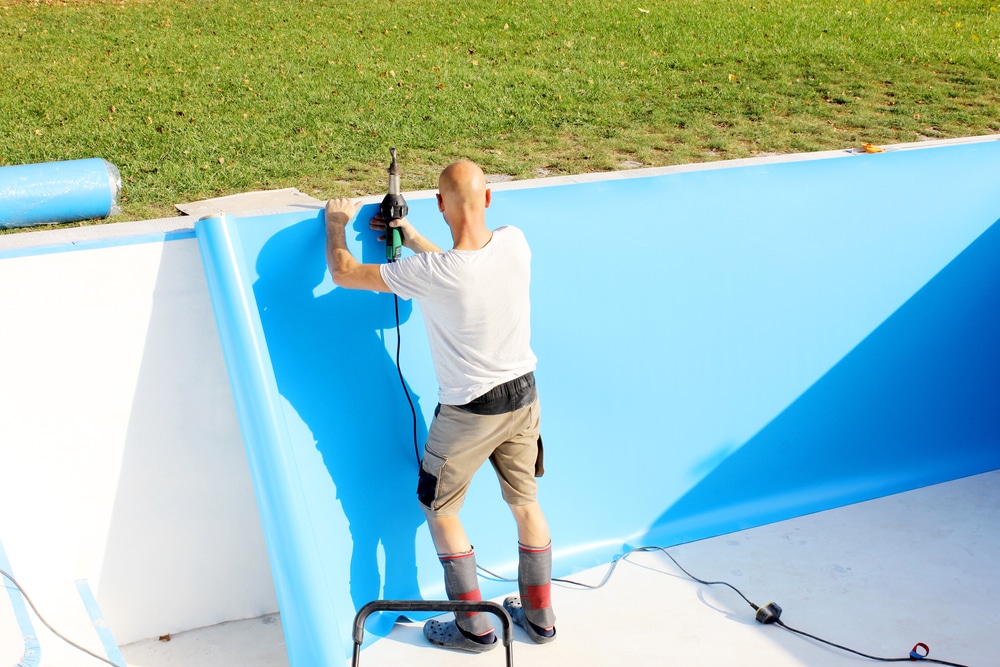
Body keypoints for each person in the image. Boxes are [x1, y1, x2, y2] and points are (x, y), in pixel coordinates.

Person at [324, 160, 556, 652]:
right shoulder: (515, 243)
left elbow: (344, 273)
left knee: (440, 509)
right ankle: (540, 620)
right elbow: (461, 271)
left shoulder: (433, 272)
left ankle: (473, 629)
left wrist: (336, 224)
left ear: (439, 205)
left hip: (469, 414)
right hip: (523, 400)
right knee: (526, 504)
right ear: (488, 198)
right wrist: (408, 234)